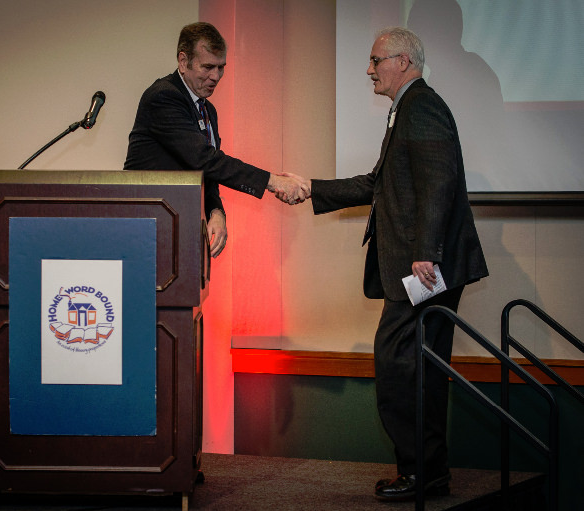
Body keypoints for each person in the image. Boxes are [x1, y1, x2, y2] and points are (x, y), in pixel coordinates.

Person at [287, 27, 488, 500]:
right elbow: (377, 184)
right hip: (423, 266)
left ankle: (421, 472)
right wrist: (310, 187)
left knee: (399, 364)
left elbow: (439, 183)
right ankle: (426, 472)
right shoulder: (409, 108)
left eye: (376, 60)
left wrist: (427, 253)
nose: (369, 70)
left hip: (423, 268)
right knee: (415, 366)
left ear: (403, 61)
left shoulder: (423, 106)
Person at [124, 22, 308, 258]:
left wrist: (216, 212)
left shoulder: (207, 109)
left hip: (179, 226)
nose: (216, 76)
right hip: (146, 227)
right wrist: (273, 181)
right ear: (183, 61)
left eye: (221, 67)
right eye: (208, 67)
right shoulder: (164, 97)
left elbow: (207, 171)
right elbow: (203, 158)